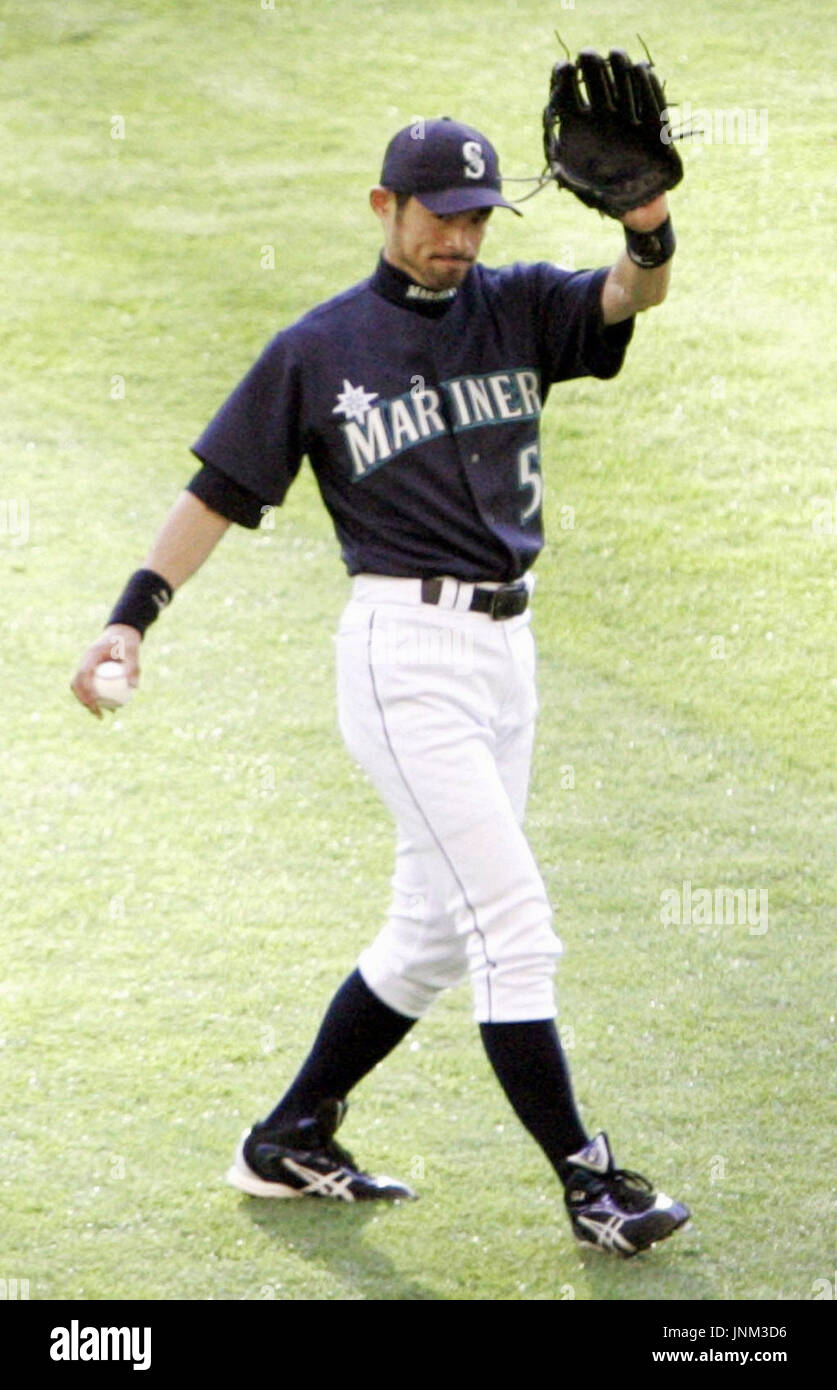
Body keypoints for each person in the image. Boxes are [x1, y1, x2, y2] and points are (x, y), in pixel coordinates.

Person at [72, 117, 689, 1257]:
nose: (460, 237)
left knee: (430, 934)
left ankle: (288, 1135)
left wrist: (648, 223)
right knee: (515, 925)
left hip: (510, 653)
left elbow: (624, 297)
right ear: (383, 209)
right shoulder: (318, 349)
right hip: (403, 661)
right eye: (440, 216)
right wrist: (128, 620)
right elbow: (219, 490)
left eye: (476, 218)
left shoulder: (513, 307)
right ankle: (592, 1182)